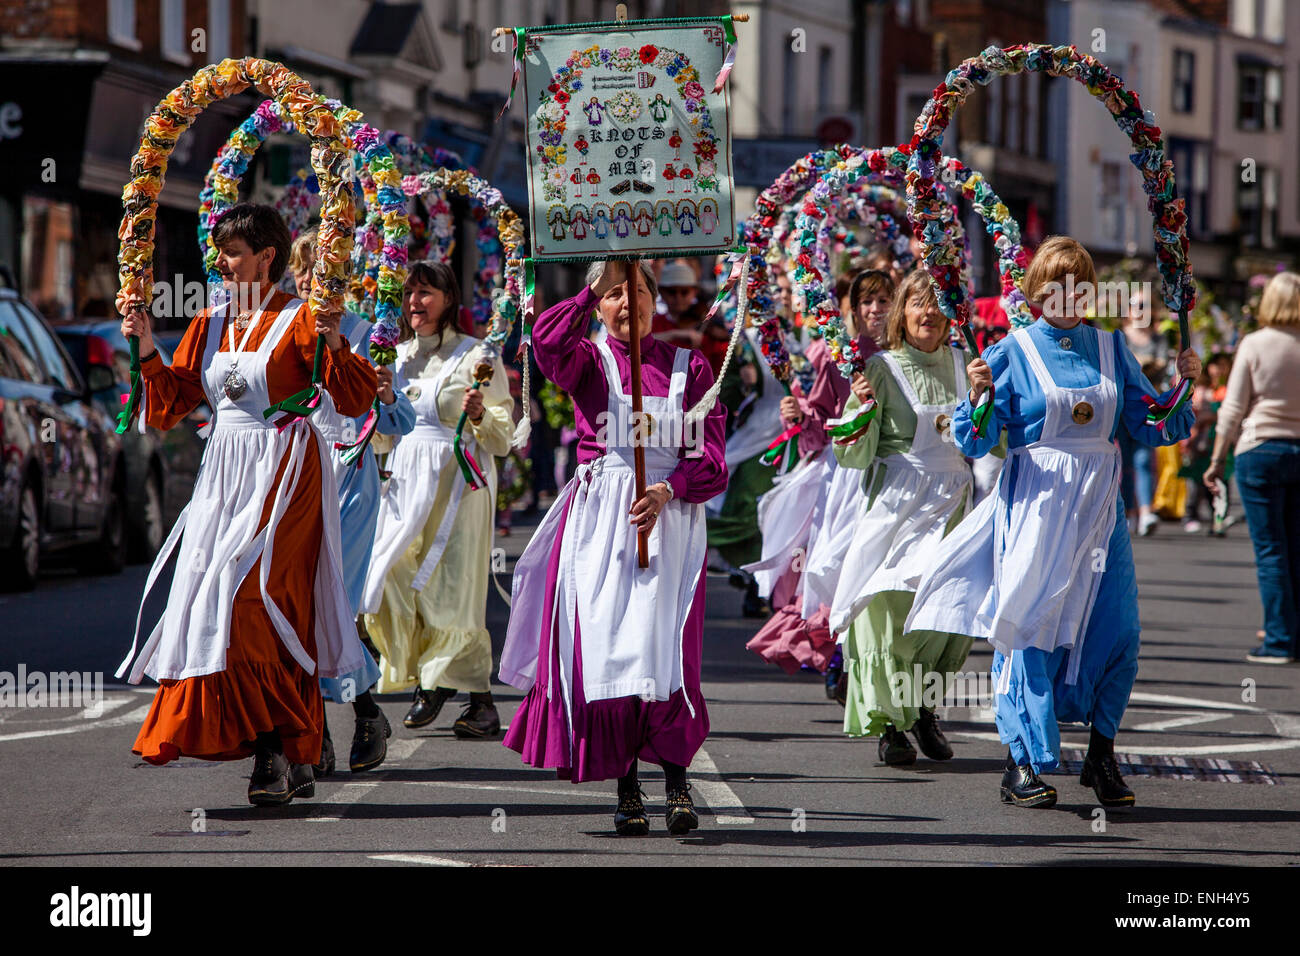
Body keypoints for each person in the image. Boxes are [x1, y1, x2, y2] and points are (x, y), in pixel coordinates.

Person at [905, 235, 1200, 809]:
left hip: (1099, 512)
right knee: (1029, 626)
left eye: (1078, 284)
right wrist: (978, 397)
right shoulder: (1009, 352)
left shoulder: (1114, 349)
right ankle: (1020, 760)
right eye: (1054, 285)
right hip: (1037, 504)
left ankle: (1101, 754)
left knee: (1117, 630)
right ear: (1036, 292)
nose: (1067, 295)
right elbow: (976, 438)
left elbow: (1155, 425)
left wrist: (1182, 386)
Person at [116, 202, 380, 806]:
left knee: (253, 602)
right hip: (223, 475)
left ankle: (272, 751)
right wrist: (148, 343)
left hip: (286, 472)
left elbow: (355, 393)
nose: (221, 262)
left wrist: (336, 341)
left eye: (233, 252)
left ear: (267, 258)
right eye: (219, 252)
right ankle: (291, 745)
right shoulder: (209, 323)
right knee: (211, 601)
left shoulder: (301, 319)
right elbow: (171, 403)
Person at [499, 259, 727, 836]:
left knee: (666, 652)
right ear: (600, 306)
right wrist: (588, 288)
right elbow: (546, 344)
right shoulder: (589, 363)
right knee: (609, 653)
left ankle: (677, 780)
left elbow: (712, 463)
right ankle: (627, 786)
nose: (628, 303)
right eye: (614, 295)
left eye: (639, 291)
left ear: (657, 303)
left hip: (670, 523)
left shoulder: (690, 367)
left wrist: (668, 488)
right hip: (602, 524)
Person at [829, 269, 987, 764]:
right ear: (903, 312)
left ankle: (921, 708)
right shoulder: (881, 369)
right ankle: (890, 725)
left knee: (946, 615)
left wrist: (986, 399)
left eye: (939, 303)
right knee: (890, 609)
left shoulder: (968, 365)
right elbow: (852, 456)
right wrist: (859, 410)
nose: (930, 313)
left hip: (953, 505)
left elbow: (990, 444)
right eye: (920, 302)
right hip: (898, 506)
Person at [361, 261, 514, 738]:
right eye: (408, 293)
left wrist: (478, 417)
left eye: (425, 292)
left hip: (458, 483)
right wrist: (382, 404)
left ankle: (438, 680)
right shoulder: (395, 356)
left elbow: (503, 435)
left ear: (448, 298)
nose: (414, 303)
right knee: (387, 575)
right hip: (406, 481)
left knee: (452, 585)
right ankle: (472, 698)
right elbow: (383, 438)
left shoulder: (478, 356)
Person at [287, 230, 415, 774]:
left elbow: (398, 421)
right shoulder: (277, 331)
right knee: (292, 608)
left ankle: (359, 715)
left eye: (320, 275)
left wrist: (385, 393)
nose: (309, 285)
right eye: (301, 274)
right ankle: (336, 724)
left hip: (347, 483)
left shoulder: (364, 335)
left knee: (327, 604)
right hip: (288, 479)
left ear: (339, 283)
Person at [745, 269, 892, 683]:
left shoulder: (909, 347)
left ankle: (875, 660)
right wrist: (799, 417)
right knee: (839, 564)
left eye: (884, 300)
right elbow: (819, 422)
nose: (876, 309)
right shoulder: (838, 354)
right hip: (846, 476)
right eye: (867, 302)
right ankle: (840, 659)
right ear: (853, 310)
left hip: (897, 473)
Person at [1204, 270, 1300, 663]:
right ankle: (1294, 635)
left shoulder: (1255, 344)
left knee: (1271, 550)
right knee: (1295, 546)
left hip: (1259, 448)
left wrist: (1216, 459)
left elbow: (1233, 407)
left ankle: (1278, 639)